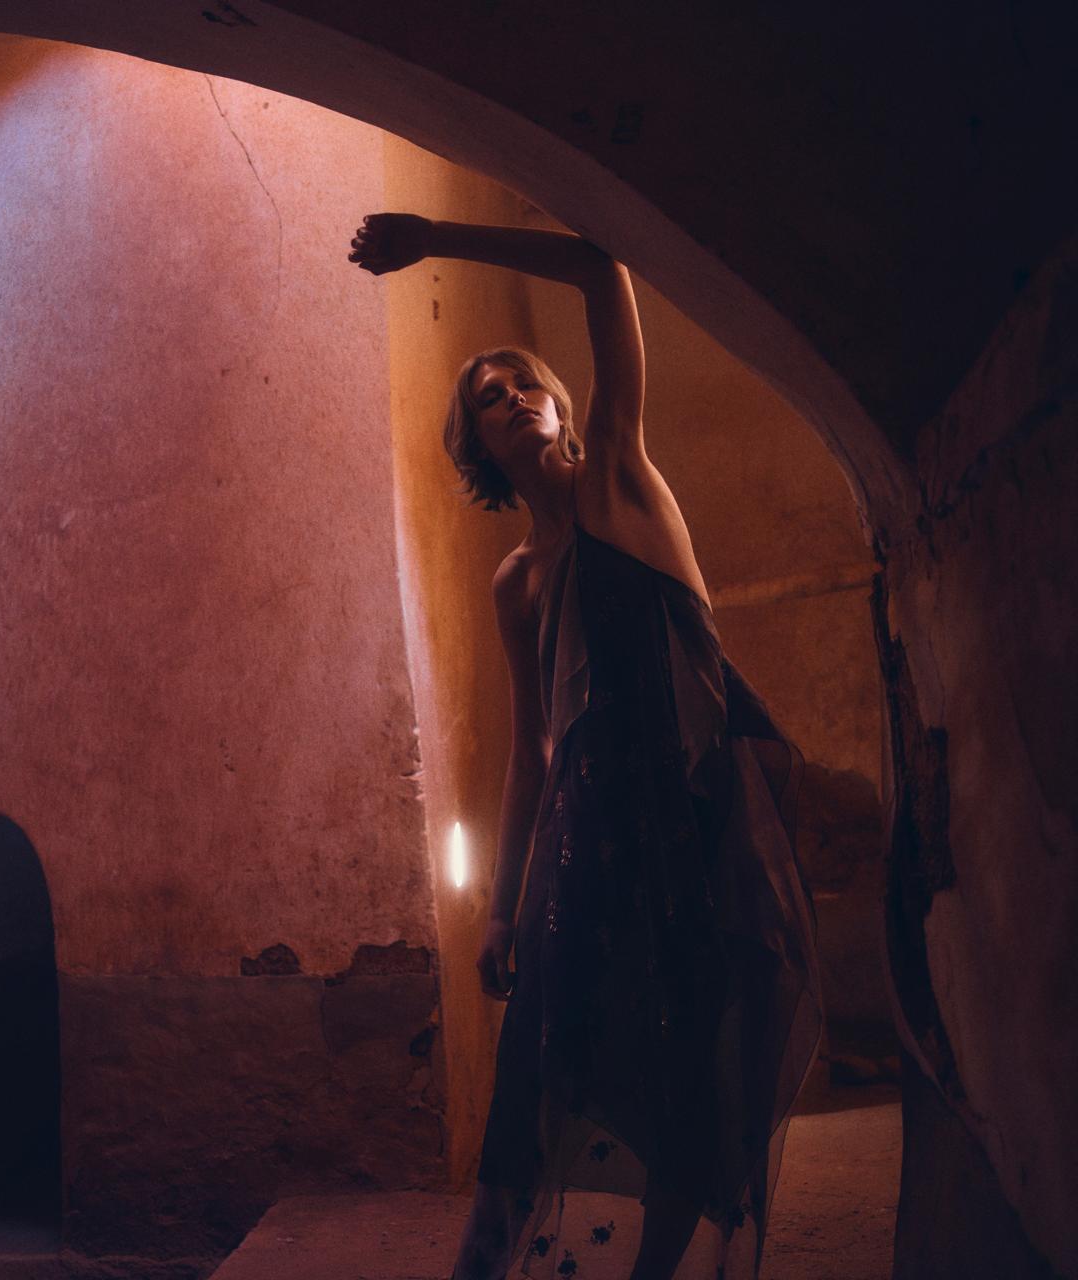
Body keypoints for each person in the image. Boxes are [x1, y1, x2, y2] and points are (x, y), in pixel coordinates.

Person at [349, 214, 822, 1280]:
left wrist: (432, 238)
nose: (515, 396)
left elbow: (600, 268)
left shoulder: (620, 474)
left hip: (687, 822)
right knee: (543, 1072)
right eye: (489, 395)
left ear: (562, 406)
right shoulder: (515, 582)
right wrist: (503, 904)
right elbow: (532, 751)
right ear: (476, 445)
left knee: (688, 1075)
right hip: (581, 841)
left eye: (527, 382)